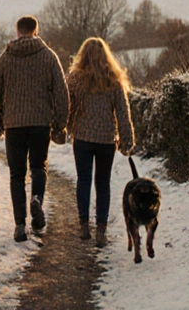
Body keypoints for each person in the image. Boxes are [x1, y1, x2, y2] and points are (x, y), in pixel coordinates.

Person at [0, 15, 69, 242]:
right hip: (40, 123)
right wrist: (60, 123)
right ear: (35, 31)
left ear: (17, 32)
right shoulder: (48, 56)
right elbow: (62, 92)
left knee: (16, 174)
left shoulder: (6, 57)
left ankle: (20, 225)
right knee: (38, 167)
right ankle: (36, 200)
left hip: (13, 124)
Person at [65, 37, 135, 247]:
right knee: (103, 184)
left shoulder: (75, 79)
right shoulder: (114, 80)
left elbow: (68, 106)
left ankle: (84, 225)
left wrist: (65, 127)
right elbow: (123, 112)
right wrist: (127, 139)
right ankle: (101, 231)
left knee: (83, 180)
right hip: (106, 139)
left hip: (83, 137)